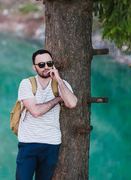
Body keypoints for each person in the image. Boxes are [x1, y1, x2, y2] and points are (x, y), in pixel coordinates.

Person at [16, 49, 78, 180]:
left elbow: (72, 103)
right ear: (34, 67)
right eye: (41, 64)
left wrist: (59, 79)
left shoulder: (62, 85)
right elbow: (36, 112)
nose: (46, 67)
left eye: (49, 63)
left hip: (51, 143)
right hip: (28, 143)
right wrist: (57, 99)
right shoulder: (26, 84)